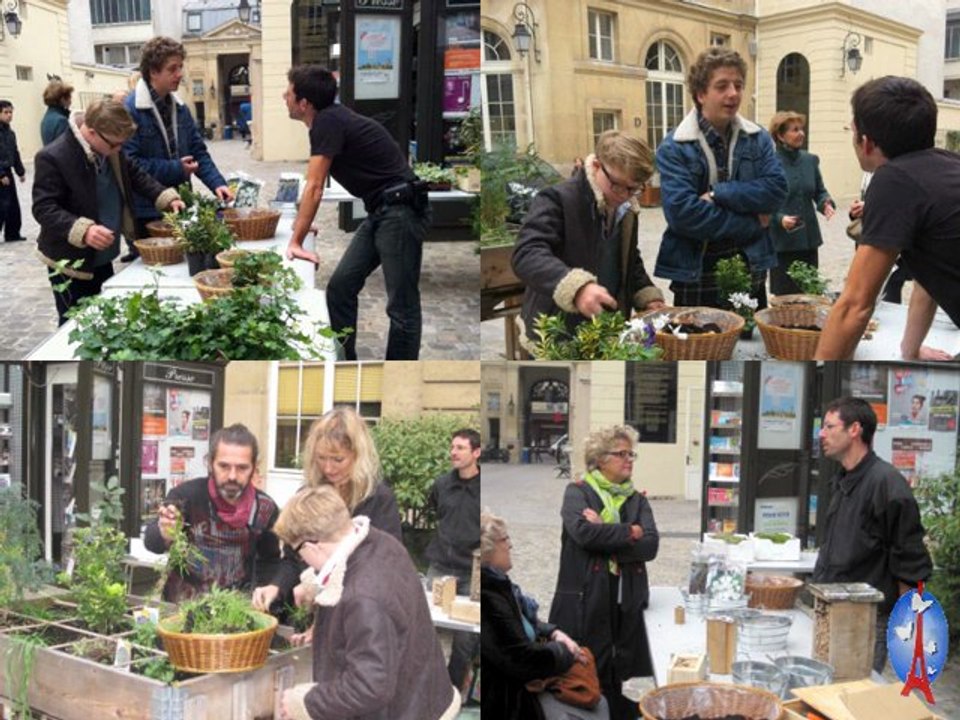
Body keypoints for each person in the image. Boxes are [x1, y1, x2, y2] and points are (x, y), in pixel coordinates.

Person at [282, 65, 430, 360]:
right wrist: (302, 224)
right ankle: (345, 364)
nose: (283, 96)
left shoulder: (327, 121)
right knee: (340, 288)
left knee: (402, 308)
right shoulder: (329, 120)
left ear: (304, 103)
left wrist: (296, 241)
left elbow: (314, 186)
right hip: (382, 211)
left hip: (399, 212)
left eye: (289, 92)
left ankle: (399, 377)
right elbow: (314, 185)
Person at [275, 486, 460, 720]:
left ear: (311, 546)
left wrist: (306, 703)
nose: (302, 559)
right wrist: (320, 582)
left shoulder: (363, 598)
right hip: (422, 694)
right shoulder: (381, 542)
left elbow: (369, 686)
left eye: (298, 552)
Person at [815, 76, 960, 360]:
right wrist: (911, 351)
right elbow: (930, 278)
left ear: (866, 143)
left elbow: (854, 306)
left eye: (852, 131)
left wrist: (815, 375)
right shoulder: (948, 164)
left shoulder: (894, 180)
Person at [655, 47, 787, 310]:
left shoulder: (758, 138)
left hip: (751, 271)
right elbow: (683, 214)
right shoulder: (674, 147)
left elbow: (776, 190)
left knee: (751, 338)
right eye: (722, 86)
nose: (733, 93)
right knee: (699, 338)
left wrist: (719, 194)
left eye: (738, 85)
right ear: (700, 94)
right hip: (697, 276)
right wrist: (752, 223)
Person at [33, 99, 184, 324]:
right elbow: (44, 207)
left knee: (104, 319)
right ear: (92, 132)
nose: (119, 149)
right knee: (75, 323)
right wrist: (84, 230)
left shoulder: (110, 147)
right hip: (70, 261)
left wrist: (165, 196)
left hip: (102, 254)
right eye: (115, 144)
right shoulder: (52, 156)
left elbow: (136, 175)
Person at [511, 130, 665, 350]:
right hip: (555, 335)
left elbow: (628, 260)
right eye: (617, 185)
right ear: (596, 166)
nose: (624, 195)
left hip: (605, 331)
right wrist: (578, 288)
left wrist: (647, 295)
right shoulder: (557, 198)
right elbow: (527, 253)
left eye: (633, 188)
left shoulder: (627, 209)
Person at [252, 407, 402, 630]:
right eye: (321, 458)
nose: (328, 468)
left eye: (338, 459)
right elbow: (293, 558)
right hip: (310, 614)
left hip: (359, 616)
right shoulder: (308, 495)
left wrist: (316, 585)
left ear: (358, 455)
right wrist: (276, 586)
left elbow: (383, 566)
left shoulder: (378, 499)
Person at [812, 397, 932, 672]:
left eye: (829, 426)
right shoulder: (843, 478)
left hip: (864, 618)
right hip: (830, 607)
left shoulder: (887, 484)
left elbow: (910, 559)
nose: (822, 434)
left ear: (854, 429)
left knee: (854, 690)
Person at [549, 425, 659, 720]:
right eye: (621, 454)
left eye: (631, 454)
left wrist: (606, 531)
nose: (629, 459)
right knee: (584, 670)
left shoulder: (637, 499)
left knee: (616, 667)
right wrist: (629, 532)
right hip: (586, 599)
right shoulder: (577, 492)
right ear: (599, 459)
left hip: (625, 599)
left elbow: (650, 545)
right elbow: (584, 535)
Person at [482, 510, 610, 720]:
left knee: (598, 704)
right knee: (590, 712)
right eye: (504, 539)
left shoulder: (500, 584)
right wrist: (565, 652)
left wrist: (554, 633)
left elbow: (524, 623)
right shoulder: (489, 596)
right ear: (487, 550)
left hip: (529, 682)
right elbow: (522, 659)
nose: (510, 545)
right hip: (510, 699)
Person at [123, 37, 234, 260]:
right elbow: (130, 164)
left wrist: (217, 183)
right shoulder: (131, 109)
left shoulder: (180, 108)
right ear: (153, 72)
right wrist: (176, 169)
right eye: (172, 69)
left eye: (180, 67)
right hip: (148, 212)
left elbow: (198, 152)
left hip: (181, 204)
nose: (180, 74)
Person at [144, 423, 281, 602]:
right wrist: (165, 533)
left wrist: (264, 594)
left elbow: (270, 561)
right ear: (210, 464)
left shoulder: (264, 508)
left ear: (254, 468)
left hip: (235, 610)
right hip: (181, 609)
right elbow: (151, 543)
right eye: (224, 466)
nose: (232, 476)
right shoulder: (186, 496)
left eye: (242, 468)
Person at [426, 428, 482, 692]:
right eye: (452, 447)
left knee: (465, 640)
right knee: (427, 631)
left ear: (476, 452)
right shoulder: (441, 484)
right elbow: (436, 513)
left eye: (460, 448)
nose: (453, 452)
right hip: (439, 568)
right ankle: (425, 689)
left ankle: (453, 692)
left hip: (470, 573)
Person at [766, 110, 836, 296]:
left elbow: (820, 191)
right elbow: (763, 201)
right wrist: (779, 219)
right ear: (780, 135)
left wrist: (825, 204)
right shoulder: (769, 163)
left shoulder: (810, 160)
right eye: (795, 130)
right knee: (785, 298)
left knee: (810, 294)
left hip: (808, 241)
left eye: (801, 129)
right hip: (783, 242)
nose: (801, 134)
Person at [0, 100, 27, 243]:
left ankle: (12, 233)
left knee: (12, 205)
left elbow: (15, 153)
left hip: (8, 172)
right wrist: (1, 174)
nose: (9, 115)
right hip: (1, 172)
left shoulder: (10, 133)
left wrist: (20, 171)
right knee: (2, 205)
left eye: (11, 112)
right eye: (6, 112)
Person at [41, 80, 74, 146]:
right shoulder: (61, 120)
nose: (71, 100)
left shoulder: (46, 118)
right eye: (69, 97)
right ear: (62, 99)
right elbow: (66, 146)